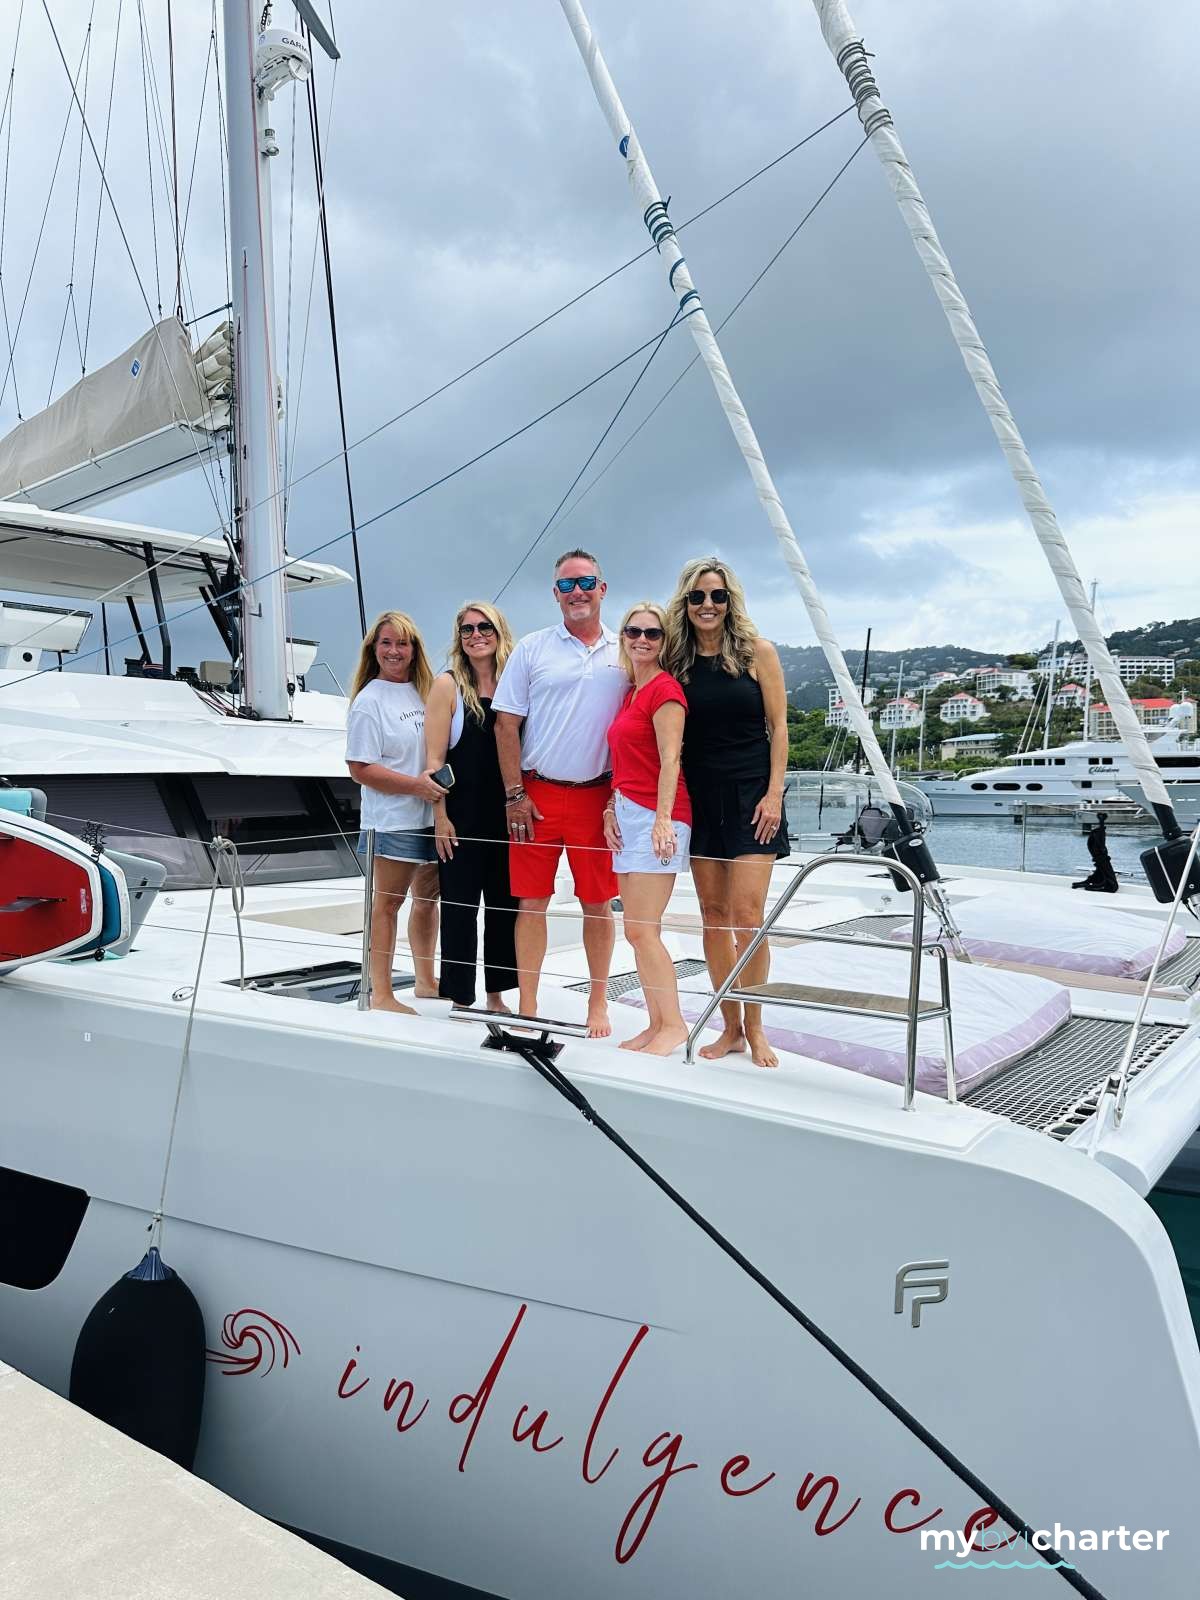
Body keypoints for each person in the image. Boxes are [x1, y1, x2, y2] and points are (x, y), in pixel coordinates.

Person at [494, 549, 628, 1036]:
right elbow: (506, 724)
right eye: (567, 585)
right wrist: (514, 794)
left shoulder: (625, 651)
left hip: (598, 797)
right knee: (531, 902)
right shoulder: (532, 649)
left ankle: (598, 1003)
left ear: (602, 589)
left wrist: (618, 798)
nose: (577, 592)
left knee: (598, 903)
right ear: (555, 594)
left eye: (586, 582)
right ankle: (528, 1003)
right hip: (536, 795)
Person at [664, 557, 790, 1068]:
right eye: (697, 597)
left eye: (717, 596)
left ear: (730, 601)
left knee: (748, 917)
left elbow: (779, 728)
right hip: (700, 797)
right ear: (686, 603)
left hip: (752, 796)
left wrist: (775, 794)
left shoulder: (758, 653)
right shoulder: (677, 662)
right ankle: (730, 1027)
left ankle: (756, 1028)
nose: (708, 605)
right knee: (713, 917)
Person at [602, 602, 692, 1055]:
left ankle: (674, 1025)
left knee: (644, 930)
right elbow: (624, 762)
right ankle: (656, 1023)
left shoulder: (665, 691)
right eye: (633, 631)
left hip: (658, 816)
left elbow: (671, 760)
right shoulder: (630, 693)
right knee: (636, 930)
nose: (641, 639)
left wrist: (661, 820)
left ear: (664, 641)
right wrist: (609, 809)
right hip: (628, 813)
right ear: (623, 636)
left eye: (652, 633)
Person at [345, 611, 443, 1012]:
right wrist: (416, 786)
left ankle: (425, 981)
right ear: (373, 649)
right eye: (386, 643)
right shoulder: (369, 702)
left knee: (427, 901)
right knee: (387, 905)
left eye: (402, 643)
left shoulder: (425, 692)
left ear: (414, 649)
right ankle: (381, 993)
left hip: (431, 818)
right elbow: (359, 768)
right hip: (393, 821)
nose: (394, 651)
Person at [425, 601, 519, 1011]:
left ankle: (497, 995)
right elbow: (434, 763)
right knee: (459, 909)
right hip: (460, 817)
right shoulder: (447, 686)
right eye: (467, 629)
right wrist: (440, 818)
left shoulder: (515, 683)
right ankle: (461, 998)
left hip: (507, 816)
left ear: (499, 633)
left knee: (504, 907)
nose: (476, 635)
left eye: (485, 627)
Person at [1073, 811, 1119, 893]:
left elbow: (1101, 838)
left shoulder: (1098, 845)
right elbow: (1101, 839)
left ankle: (1098, 880)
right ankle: (1100, 880)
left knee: (1101, 857)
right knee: (1101, 857)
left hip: (1100, 857)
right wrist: (1101, 821)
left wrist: (1101, 821)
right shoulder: (1099, 846)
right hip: (1101, 857)